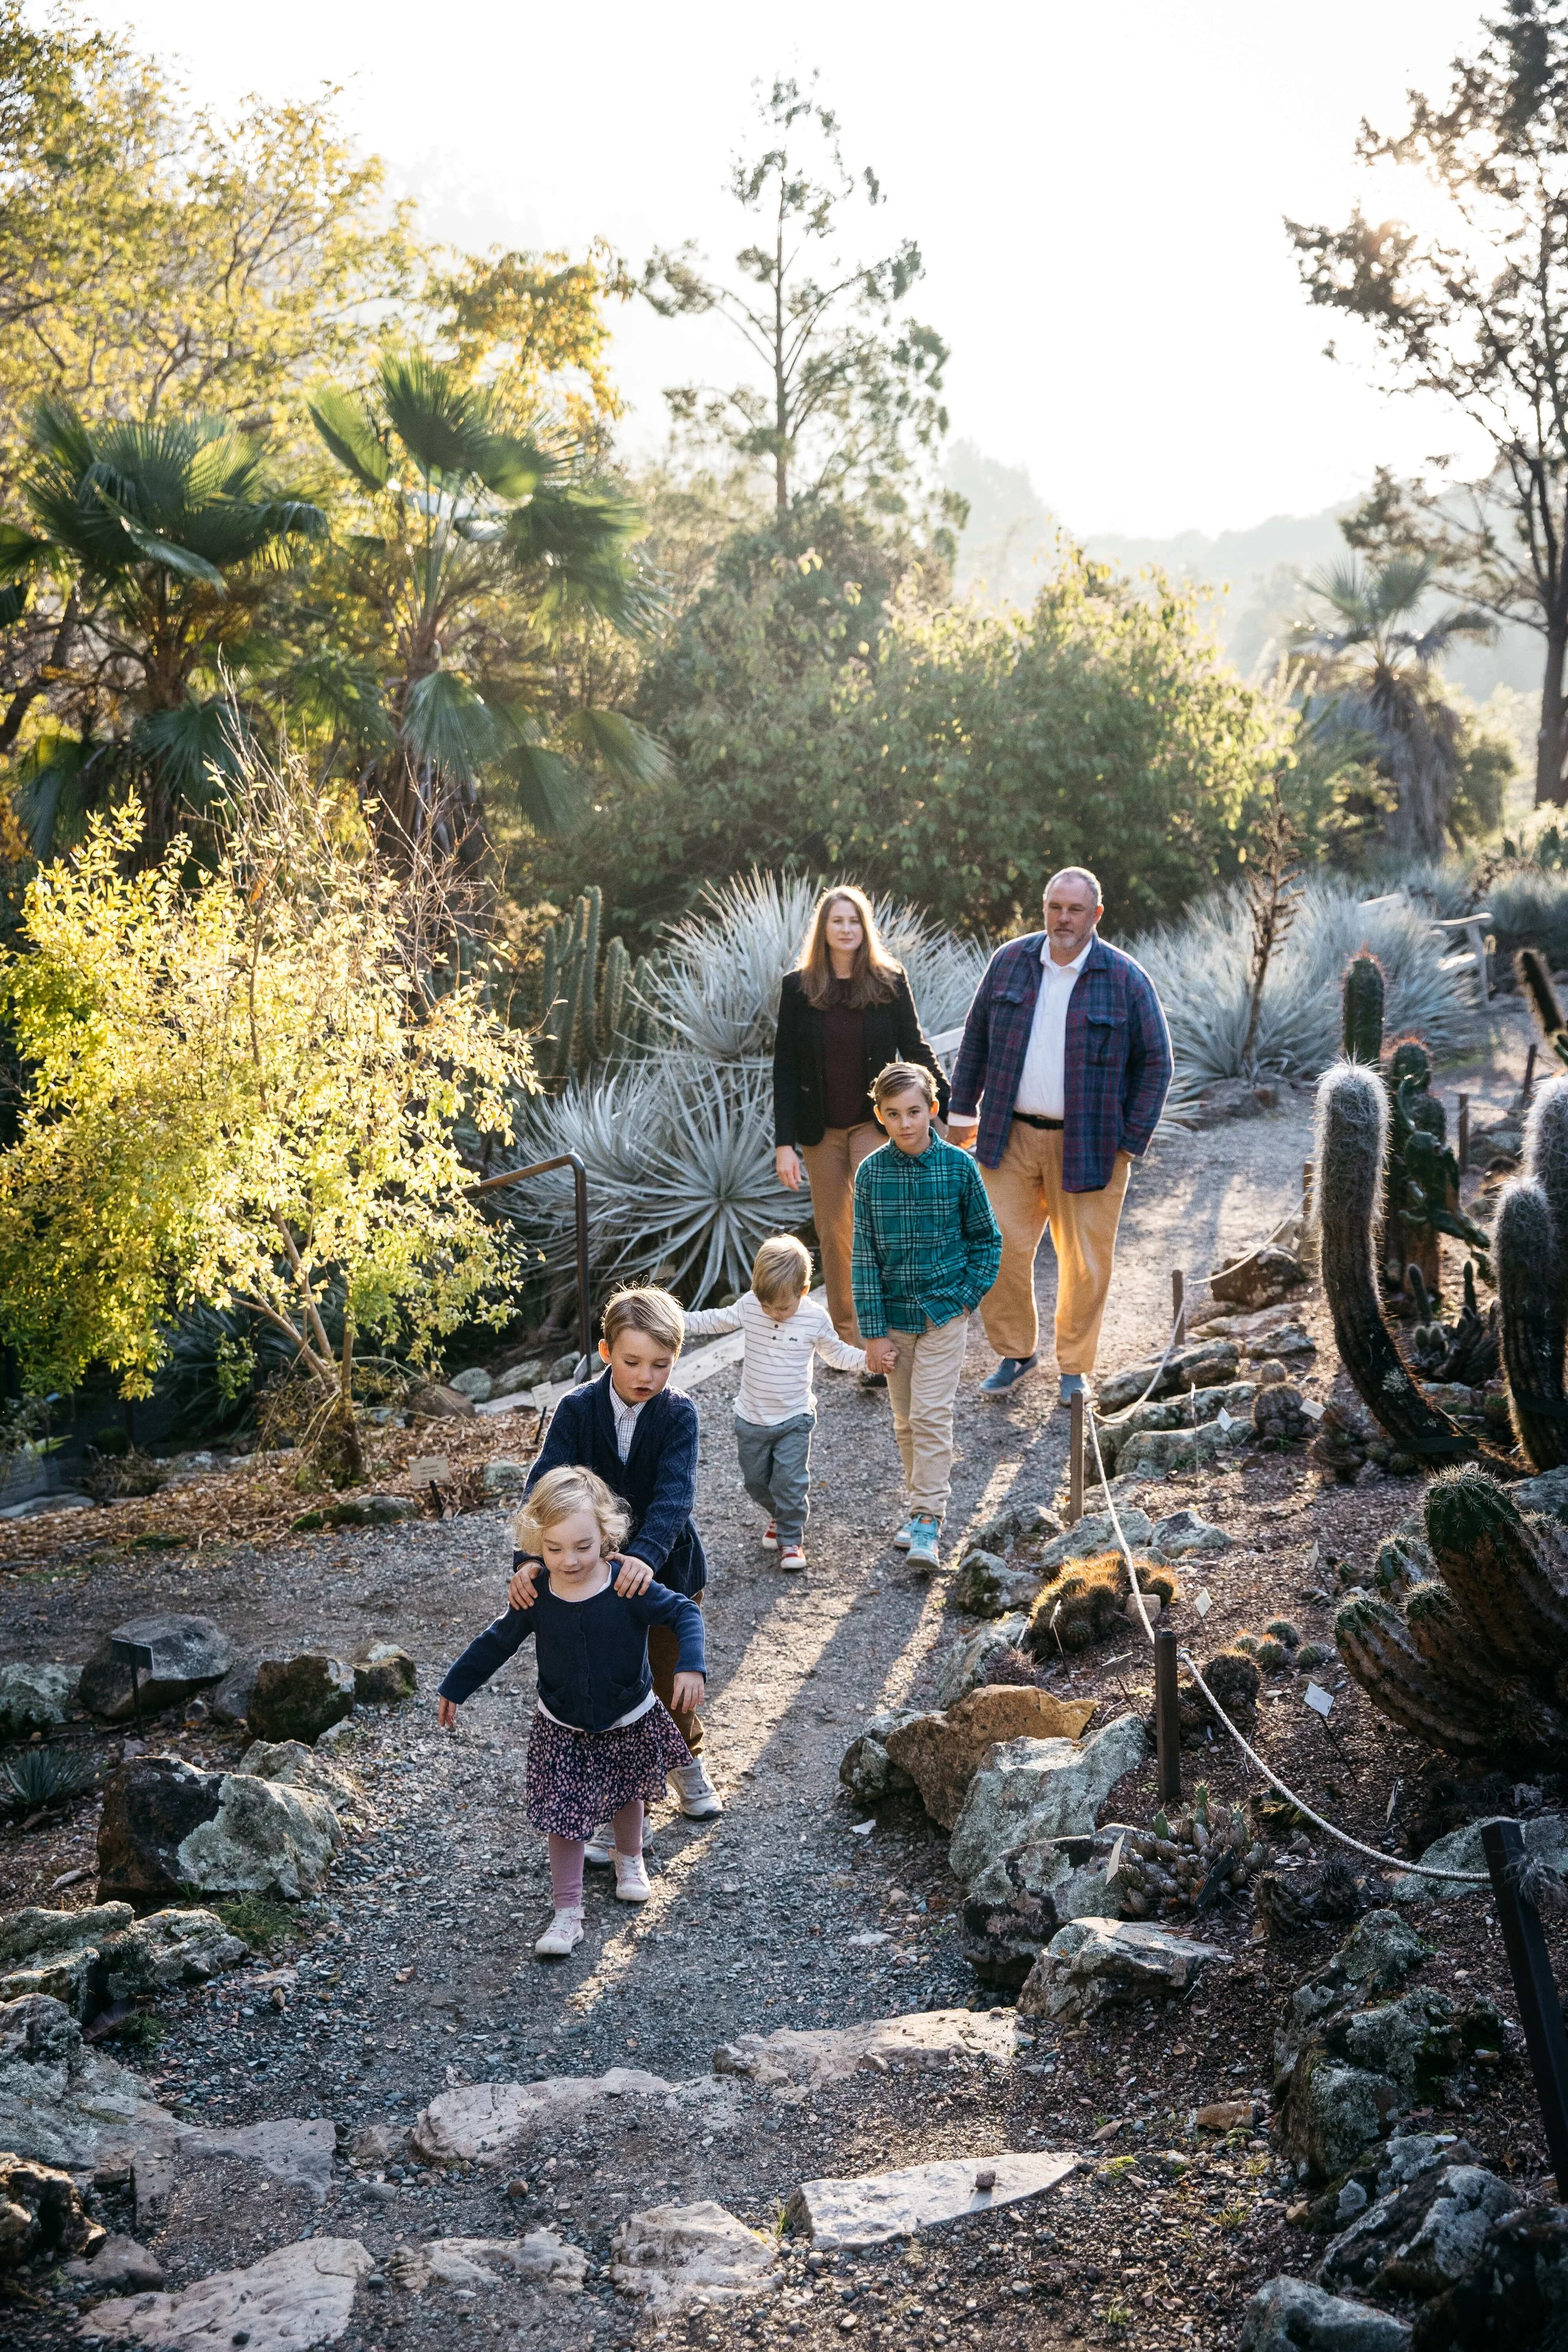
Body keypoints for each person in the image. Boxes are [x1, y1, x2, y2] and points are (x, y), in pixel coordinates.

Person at [437, 1466, 706, 1959]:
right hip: (562, 1724)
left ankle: (630, 1858)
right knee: (563, 1816)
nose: (570, 1560)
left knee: (629, 1791)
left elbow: (684, 1612)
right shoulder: (536, 1592)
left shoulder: (629, 1583)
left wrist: (691, 1666)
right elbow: (498, 1640)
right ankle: (567, 1912)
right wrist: (457, 1685)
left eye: (583, 1546)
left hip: (628, 1712)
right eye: (554, 1549)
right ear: (537, 1543)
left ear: (608, 1534)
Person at [945, 866, 1173, 1401]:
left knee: (1085, 1262)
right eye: (1055, 907)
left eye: (1075, 909)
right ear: (1043, 908)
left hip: (1092, 1144)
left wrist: (1129, 1142)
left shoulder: (1125, 978)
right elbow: (975, 1040)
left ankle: (1075, 1366)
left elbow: (1157, 1063)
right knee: (995, 1247)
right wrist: (961, 1114)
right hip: (1010, 1136)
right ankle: (1016, 1352)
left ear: (1096, 915)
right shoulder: (1009, 964)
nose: (1063, 919)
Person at [506, 1286, 721, 1830]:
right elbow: (545, 1487)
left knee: (672, 1680)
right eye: (632, 1362)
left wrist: (646, 1555)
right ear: (606, 1353)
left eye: (660, 1364)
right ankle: (628, 1803)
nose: (646, 1375)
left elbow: (676, 1496)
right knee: (617, 1687)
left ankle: (686, 1759)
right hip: (593, 1578)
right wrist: (528, 1560)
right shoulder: (577, 1410)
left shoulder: (679, 1415)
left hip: (667, 1571)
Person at [772, 885, 950, 1352]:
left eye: (854, 921)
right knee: (834, 1233)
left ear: (864, 927)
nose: (846, 929)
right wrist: (784, 1143)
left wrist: (949, 1104)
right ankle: (853, 1344)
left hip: (875, 1123)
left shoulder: (889, 981)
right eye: (837, 921)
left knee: (882, 1220)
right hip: (820, 1129)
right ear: (824, 929)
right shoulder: (799, 988)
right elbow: (785, 1068)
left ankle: (893, 1328)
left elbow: (915, 1049)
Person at [850, 1061, 1002, 1572]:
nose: (906, 1123)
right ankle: (921, 1505)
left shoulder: (960, 1168)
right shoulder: (871, 1173)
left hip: (944, 1314)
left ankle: (927, 1521)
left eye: (915, 1112)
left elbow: (987, 1241)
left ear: (933, 1110)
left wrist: (964, 1299)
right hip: (894, 1320)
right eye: (893, 1114)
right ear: (880, 1116)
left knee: (932, 1415)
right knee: (905, 1420)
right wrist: (872, 1335)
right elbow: (864, 1258)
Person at [685, 1234, 866, 1571]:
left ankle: (791, 1538)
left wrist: (868, 1360)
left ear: (804, 1290)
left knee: (789, 1481)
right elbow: (714, 1320)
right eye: (767, 1305)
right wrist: (676, 1320)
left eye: (782, 1307)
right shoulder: (753, 1305)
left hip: (795, 1417)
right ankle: (779, 1515)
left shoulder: (814, 1318)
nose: (774, 1313)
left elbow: (837, 1354)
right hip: (751, 1417)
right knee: (756, 1482)